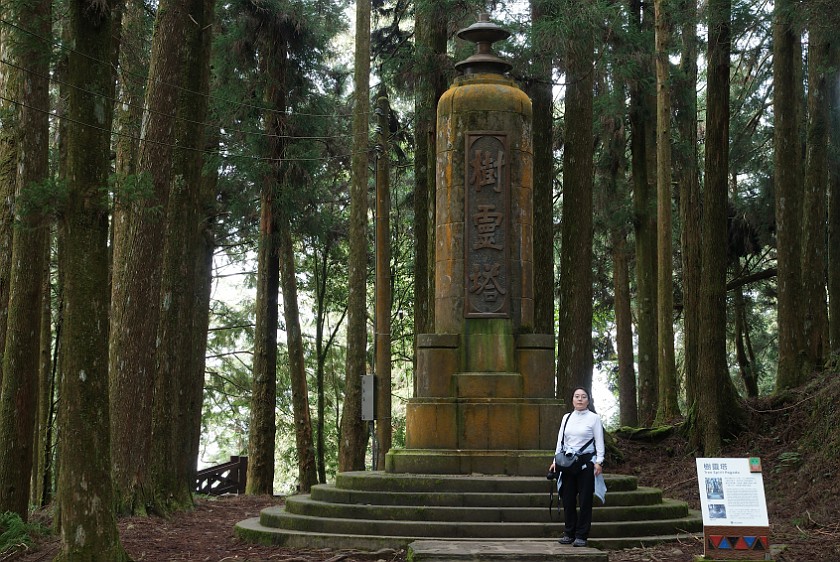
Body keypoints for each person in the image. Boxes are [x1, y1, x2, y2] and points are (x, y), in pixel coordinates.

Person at [549, 386, 605, 548]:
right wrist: (555, 460)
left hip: (587, 463)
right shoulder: (566, 418)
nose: (580, 399)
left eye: (583, 396)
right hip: (567, 463)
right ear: (572, 399)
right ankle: (569, 532)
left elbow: (599, 442)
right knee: (567, 498)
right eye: (577, 396)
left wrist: (599, 461)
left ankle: (581, 535)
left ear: (588, 400)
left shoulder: (594, 418)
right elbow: (560, 441)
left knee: (585, 499)